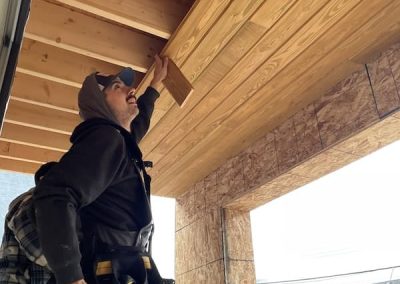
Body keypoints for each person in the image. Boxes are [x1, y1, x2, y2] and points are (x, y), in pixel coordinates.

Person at [22, 55, 169, 283]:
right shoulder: (106, 138)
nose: (131, 89)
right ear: (99, 103)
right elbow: (55, 194)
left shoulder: (117, 143)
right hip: (110, 268)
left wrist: (155, 86)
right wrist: (71, 276)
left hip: (119, 264)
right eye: (118, 87)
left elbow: (139, 125)